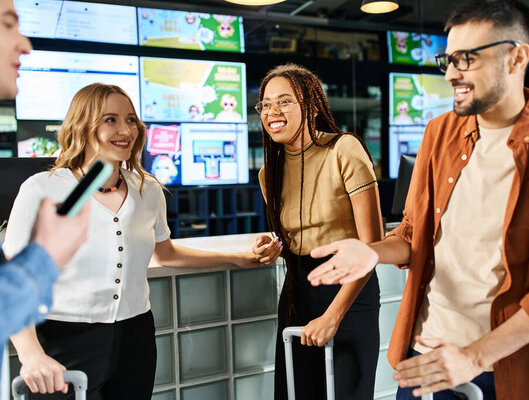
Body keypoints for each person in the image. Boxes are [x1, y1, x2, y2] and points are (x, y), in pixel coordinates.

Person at [307, 1, 529, 399]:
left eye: (466, 59)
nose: (450, 73)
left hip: (506, 368)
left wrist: (473, 358)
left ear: (517, 57)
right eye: (447, 59)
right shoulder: (438, 132)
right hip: (424, 360)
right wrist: (372, 253)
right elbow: (413, 236)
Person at [3, 83, 276, 400]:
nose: (125, 130)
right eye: (111, 120)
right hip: (63, 337)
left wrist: (236, 257)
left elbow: (166, 254)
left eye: (131, 119)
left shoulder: (148, 189)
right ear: (83, 125)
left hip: (135, 337)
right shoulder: (43, 189)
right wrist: (30, 353)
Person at [251, 64, 382, 399]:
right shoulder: (270, 172)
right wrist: (275, 244)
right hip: (297, 292)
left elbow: (372, 246)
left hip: (349, 289)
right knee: (296, 392)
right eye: (265, 104)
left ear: (309, 105)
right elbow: (298, 233)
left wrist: (333, 316)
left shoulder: (343, 149)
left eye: (283, 101)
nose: (272, 112)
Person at [0, 0, 89, 366]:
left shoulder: (143, 187)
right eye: (7, 25)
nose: (25, 44)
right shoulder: (39, 186)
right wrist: (44, 256)